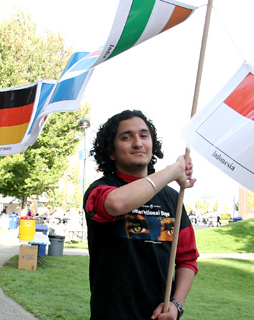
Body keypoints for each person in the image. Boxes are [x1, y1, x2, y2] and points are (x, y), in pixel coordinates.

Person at [83, 110, 199, 320]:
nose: (138, 143)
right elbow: (117, 204)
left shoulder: (174, 199)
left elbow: (188, 259)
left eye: (144, 136)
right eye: (126, 137)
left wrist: (176, 304)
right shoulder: (100, 190)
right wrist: (173, 171)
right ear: (111, 151)